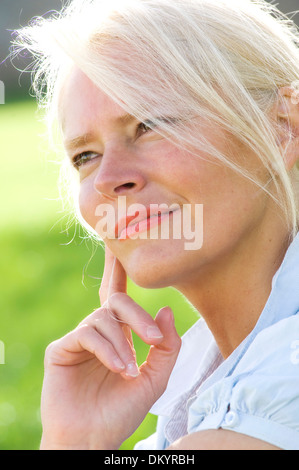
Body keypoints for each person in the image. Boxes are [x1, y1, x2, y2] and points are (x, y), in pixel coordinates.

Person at [13, 0, 299, 450]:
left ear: (282, 127)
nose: (108, 179)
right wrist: (78, 438)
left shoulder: (278, 391)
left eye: (150, 125)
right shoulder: (213, 387)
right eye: (85, 156)